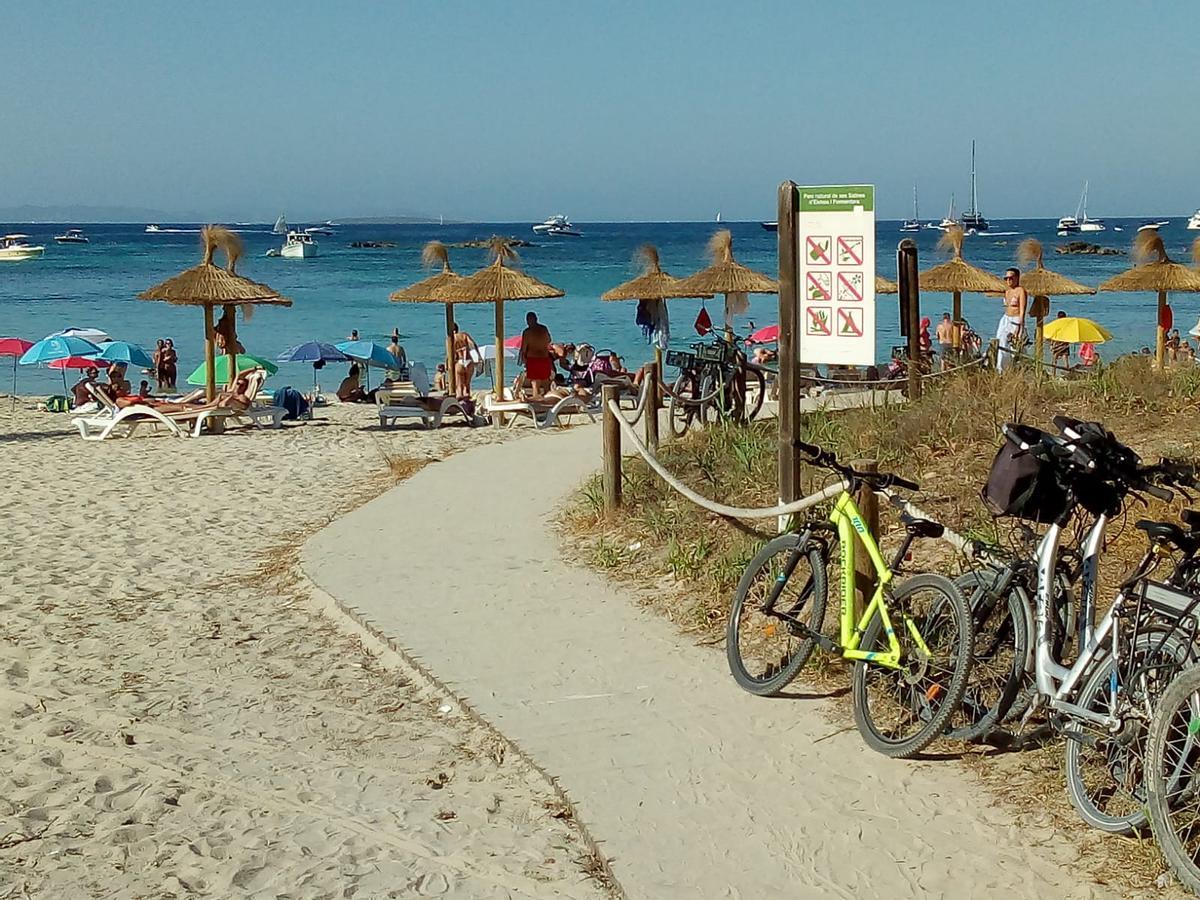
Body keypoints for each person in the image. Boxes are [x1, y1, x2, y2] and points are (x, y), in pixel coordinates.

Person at [996, 267, 1028, 372]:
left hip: (1016, 319)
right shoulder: (1007, 291)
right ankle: (1001, 369)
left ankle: (1012, 368)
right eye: (1006, 278)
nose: (1008, 280)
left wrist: (1019, 326)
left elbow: (1022, 310)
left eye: (1011, 278)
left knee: (1013, 345)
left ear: (1017, 278)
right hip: (1006, 318)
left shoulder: (1021, 291)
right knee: (1000, 341)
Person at [519, 311, 553, 399]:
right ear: (536, 319)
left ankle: (537, 402)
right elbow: (549, 340)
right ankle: (549, 402)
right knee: (546, 383)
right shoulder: (544, 329)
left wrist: (523, 358)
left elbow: (524, 347)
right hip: (544, 358)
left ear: (527, 321)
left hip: (533, 359)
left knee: (535, 384)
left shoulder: (527, 332)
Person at [451, 323, 480, 399]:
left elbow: (450, 354)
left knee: (459, 385)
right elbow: (473, 344)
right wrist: (479, 356)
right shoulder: (464, 335)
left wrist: (447, 363)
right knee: (467, 384)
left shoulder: (451, 338)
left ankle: (461, 402)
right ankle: (468, 401)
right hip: (469, 361)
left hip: (459, 362)